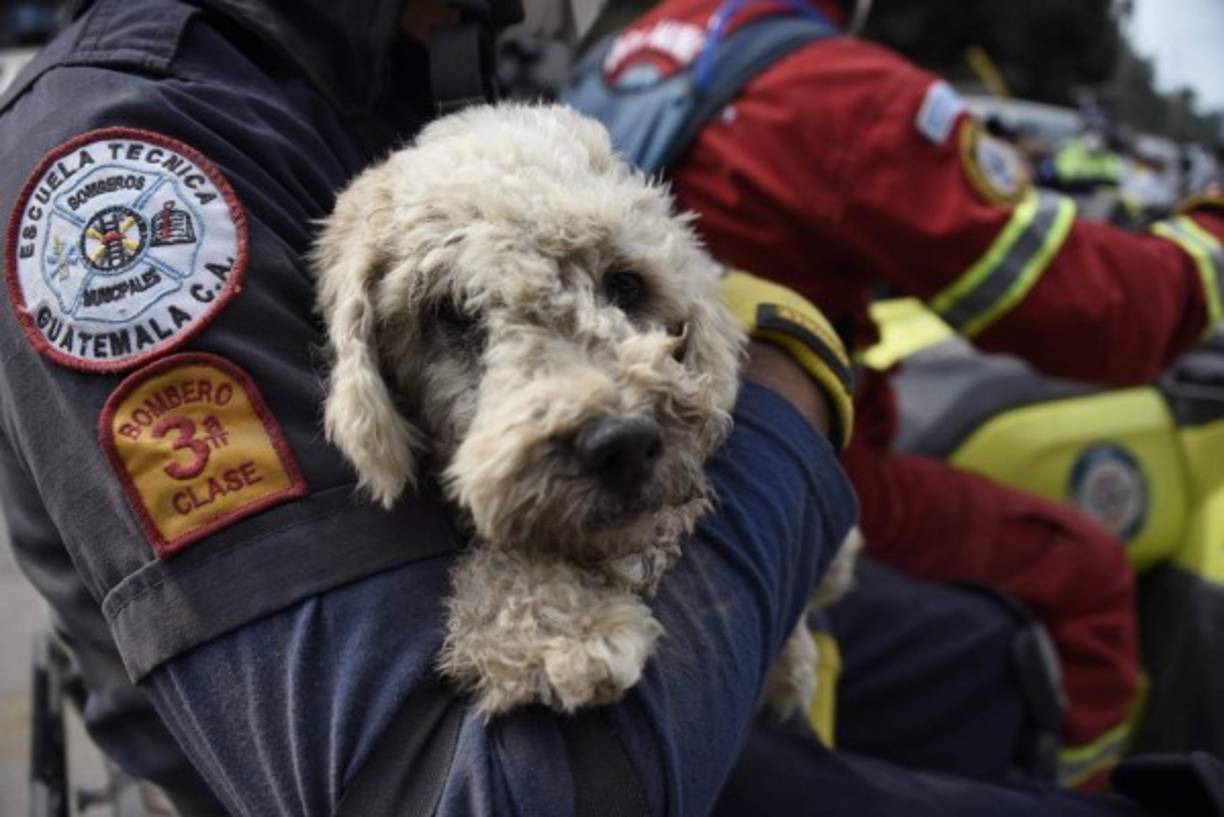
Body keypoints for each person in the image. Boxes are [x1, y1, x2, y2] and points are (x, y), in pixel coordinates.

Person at [0, 1, 1215, 816]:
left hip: (589, 601)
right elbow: (470, 784)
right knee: (1070, 587)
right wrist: (791, 381)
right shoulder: (132, 165)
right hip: (499, 745)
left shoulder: (394, 69)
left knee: (982, 658)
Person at [565, 0, 1224, 791]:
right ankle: (1067, 794)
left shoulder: (653, 42)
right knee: (1086, 574)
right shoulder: (838, 89)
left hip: (632, 451)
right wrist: (1210, 240)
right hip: (768, 460)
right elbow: (1097, 315)